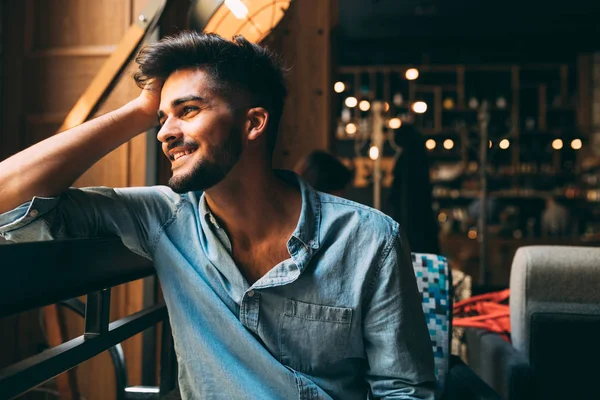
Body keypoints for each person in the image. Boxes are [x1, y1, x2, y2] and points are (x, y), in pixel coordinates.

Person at [0, 32, 435, 399]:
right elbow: (7, 201)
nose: (165, 133)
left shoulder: (369, 238)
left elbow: (404, 390)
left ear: (253, 124)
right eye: (160, 118)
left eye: (187, 111)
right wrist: (136, 111)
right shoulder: (161, 218)